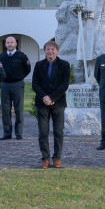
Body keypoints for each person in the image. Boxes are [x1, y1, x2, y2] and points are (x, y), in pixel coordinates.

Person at [32, 41, 71, 169]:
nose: (50, 52)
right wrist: (45, 97)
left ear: (57, 51)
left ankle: (57, 158)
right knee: (43, 132)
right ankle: (45, 159)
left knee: (58, 132)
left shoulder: (64, 65)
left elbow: (64, 84)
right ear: (45, 52)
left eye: (53, 49)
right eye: (48, 50)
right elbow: (35, 84)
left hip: (58, 102)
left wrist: (52, 97)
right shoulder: (38, 65)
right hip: (42, 103)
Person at [0, 35, 32, 140]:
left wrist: (20, 77)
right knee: (5, 110)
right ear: (5, 44)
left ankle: (18, 133)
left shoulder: (22, 56)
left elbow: (28, 69)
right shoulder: (1, 57)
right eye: (8, 43)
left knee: (19, 109)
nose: (10, 44)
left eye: (12, 42)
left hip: (17, 85)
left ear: (16, 44)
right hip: (5, 85)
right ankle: (7, 133)